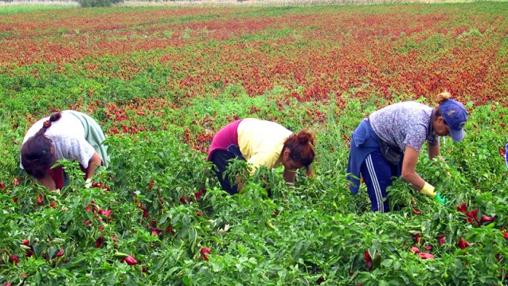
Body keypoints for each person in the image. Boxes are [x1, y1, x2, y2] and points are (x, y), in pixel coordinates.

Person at [347, 92, 468, 212]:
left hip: (391, 145)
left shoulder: (433, 123)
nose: (449, 135)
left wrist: (451, 181)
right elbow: (407, 173)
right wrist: (433, 193)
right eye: (449, 131)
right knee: (383, 204)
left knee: (397, 193)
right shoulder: (418, 128)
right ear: (441, 120)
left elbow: (436, 160)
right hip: (371, 142)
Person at [208, 118, 315, 195]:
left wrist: (289, 198)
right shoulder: (268, 154)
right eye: (293, 166)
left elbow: (289, 178)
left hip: (243, 130)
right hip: (225, 145)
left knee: (265, 189)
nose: (293, 169)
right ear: (286, 155)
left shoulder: (295, 144)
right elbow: (245, 181)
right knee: (235, 192)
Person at [20, 110, 109, 190]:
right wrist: (53, 196)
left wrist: (88, 183)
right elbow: (43, 177)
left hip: (83, 124)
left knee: (98, 174)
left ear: (52, 151)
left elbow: (96, 160)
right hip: (59, 132)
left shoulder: (69, 140)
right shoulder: (27, 156)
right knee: (60, 180)